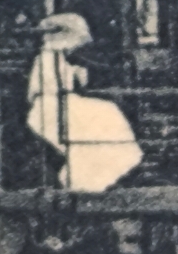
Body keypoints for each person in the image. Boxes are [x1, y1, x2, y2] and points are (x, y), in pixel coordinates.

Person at [27, 13, 142, 191]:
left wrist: (75, 73)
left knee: (106, 111)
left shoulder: (59, 58)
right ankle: (88, 177)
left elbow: (71, 81)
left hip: (62, 101)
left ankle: (110, 163)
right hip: (49, 106)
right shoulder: (47, 57)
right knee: (102, 113)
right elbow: (46, 88)